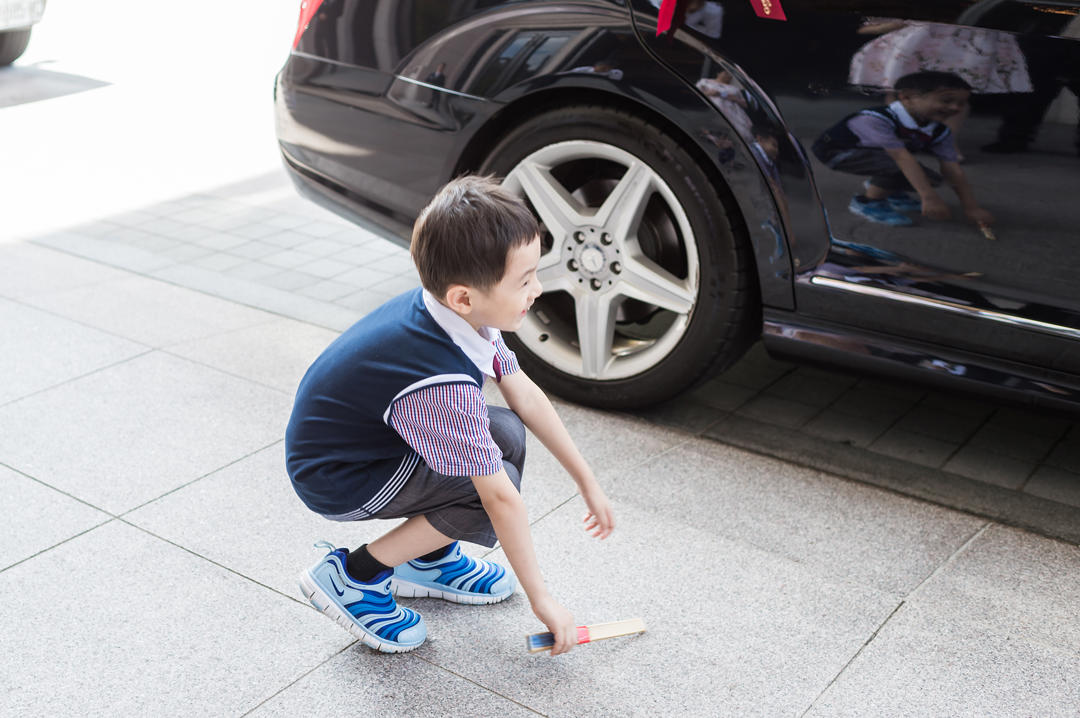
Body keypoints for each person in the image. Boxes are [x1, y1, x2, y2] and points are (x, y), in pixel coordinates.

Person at [285, 175, 615, 655]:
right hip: (337, 477)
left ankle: (428, 559)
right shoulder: (440, 381)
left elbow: (523, 393)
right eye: (524, 281)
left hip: (369, 444)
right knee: (485, 487)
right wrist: (543, 600)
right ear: (465, 295)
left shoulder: (458, 315)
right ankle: (354, 576)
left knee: (504, 431)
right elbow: (500, 500)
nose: (538, 289)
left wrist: (588, 482)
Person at [812, 71, 994, 228]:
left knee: (929, 179)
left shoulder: (940, 130)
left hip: (880, 155)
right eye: (946, 100)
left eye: (961, 103)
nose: (955, 108)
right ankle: (868, 202)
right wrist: (928, 198)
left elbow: (952, 168)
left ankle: (889, 189)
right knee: (903, 168)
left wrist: (971, 207)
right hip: (837, 153)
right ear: (906, 97)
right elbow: (901, 158)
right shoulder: (875, 119)